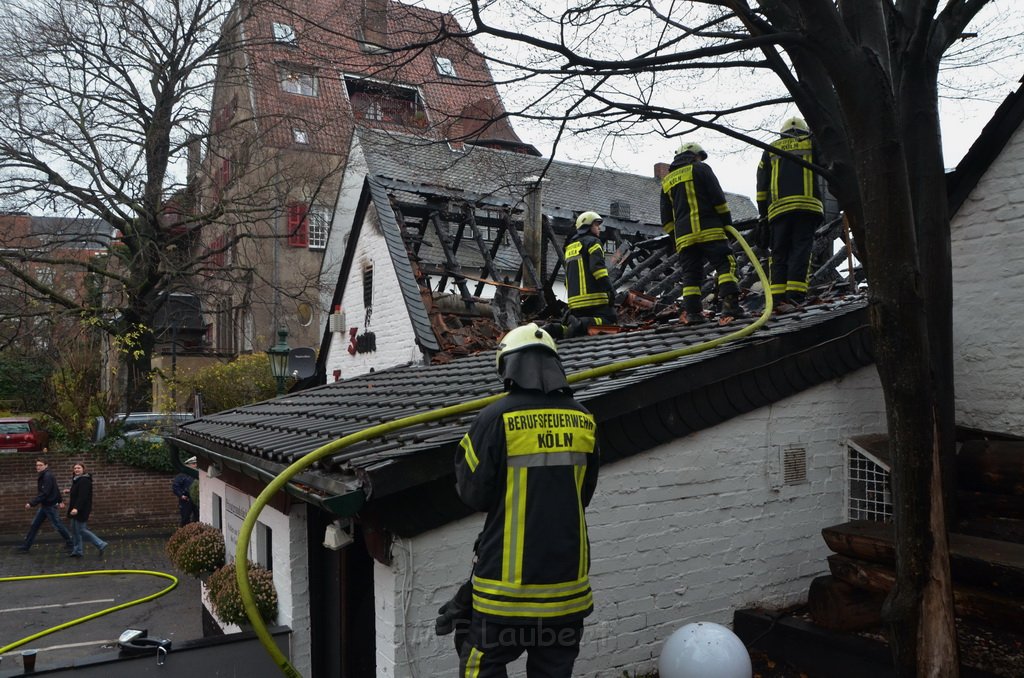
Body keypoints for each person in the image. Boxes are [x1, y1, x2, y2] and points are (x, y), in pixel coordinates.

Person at [455, 323, 599, 677]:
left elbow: (472, 493)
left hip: (506, 595)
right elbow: (584, 493)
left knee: (479, 668)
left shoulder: (494, 419)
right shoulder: (584, 420)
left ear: (507, 367)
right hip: (567, 593)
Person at [660, 141, 745, 325]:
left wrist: (676, 237)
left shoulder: (667, 181)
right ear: (695, 155)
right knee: (725, 265)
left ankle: (693, 314)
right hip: (709, 230)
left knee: (691, 274)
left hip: (684, 238)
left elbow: (666, 219)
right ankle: (730, 307)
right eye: (699, 156)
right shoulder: (701, 169)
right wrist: (727, 225)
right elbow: (718, 200)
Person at [755, 116, 824, 312]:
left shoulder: (770, 150)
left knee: (779, 254)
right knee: (800, 251)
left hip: (779, 211)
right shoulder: (811, 144)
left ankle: (777, 298)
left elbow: (761, 186)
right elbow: (828, 167)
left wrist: (763, 215)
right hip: (807, 208)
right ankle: (795, 296)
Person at [545, 211, 617, 339]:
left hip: (575, 305)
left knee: (575, 331)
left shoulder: (570, 247)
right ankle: (581, 324)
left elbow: (568, 279)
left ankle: (563, 327)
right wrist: (610, 290)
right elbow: (598, 270)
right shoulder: (593, 242)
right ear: (587, 226)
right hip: (594, 301)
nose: (599, 228)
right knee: (611, 319)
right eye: (596, 225)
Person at [15, 458, 73, 553]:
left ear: (46, 466)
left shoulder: (47, 476)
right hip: (45, 505)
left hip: (49, 506)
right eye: (37, 465)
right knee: (35, 525)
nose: (38, 467)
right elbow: (55, 488)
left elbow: (45, 493)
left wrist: (31, 503)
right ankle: (26, 547)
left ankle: (71, 543)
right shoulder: (44, 475)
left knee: (58, 525)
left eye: (40, 465)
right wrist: (60, 500)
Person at [66, 461, 108, 557]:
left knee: (81, 530)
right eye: (75, 468)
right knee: (74, 530)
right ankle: (77, 551)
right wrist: (70, 491)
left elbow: (83, 496)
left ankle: (100, 544)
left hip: (81, 509)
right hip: (75, 509)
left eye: (79, 468)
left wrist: (76, 508)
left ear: (83, 470)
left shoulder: (84, 480)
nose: (76, 469)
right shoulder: (77, 480)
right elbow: (78, 491)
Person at [172, 457, 199, 526]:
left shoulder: (197, 474)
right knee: (185, 518)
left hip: (195, 499)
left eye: (196, 463)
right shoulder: (181, 475)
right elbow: (175, 486)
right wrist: (181, 495)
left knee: (197, 517)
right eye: (193, 464)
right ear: (187, 465)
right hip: (186, 499)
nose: (195, 465)